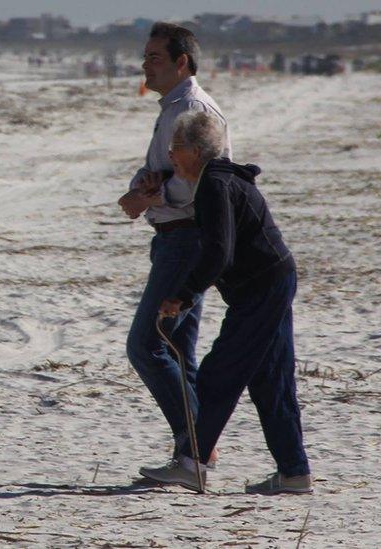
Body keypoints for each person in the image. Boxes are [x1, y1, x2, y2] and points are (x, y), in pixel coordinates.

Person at [139, 112, 312, 495]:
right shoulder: (217, 179)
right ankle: (294, 473)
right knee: (272, 379)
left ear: (196, 151)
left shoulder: (215, 185)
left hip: (263, 287)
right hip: (272, 281)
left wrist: (182, 296)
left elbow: (219, 253)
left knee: (221, 372)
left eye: (176, 148)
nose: (171, 155)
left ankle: (190, 464)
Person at [116, 22, 230, 470]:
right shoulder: (170, 108)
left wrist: (148, 196)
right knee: (179, 351)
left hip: (187, 238)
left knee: (146, 344)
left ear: (182, 62)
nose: (146, 65)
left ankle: (197, 443)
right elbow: (156, 169)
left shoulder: (195, 109)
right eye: (144, 57)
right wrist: (141, 191)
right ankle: (192, 454)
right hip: (171, 237)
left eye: (155, 58)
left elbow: (207, 184)